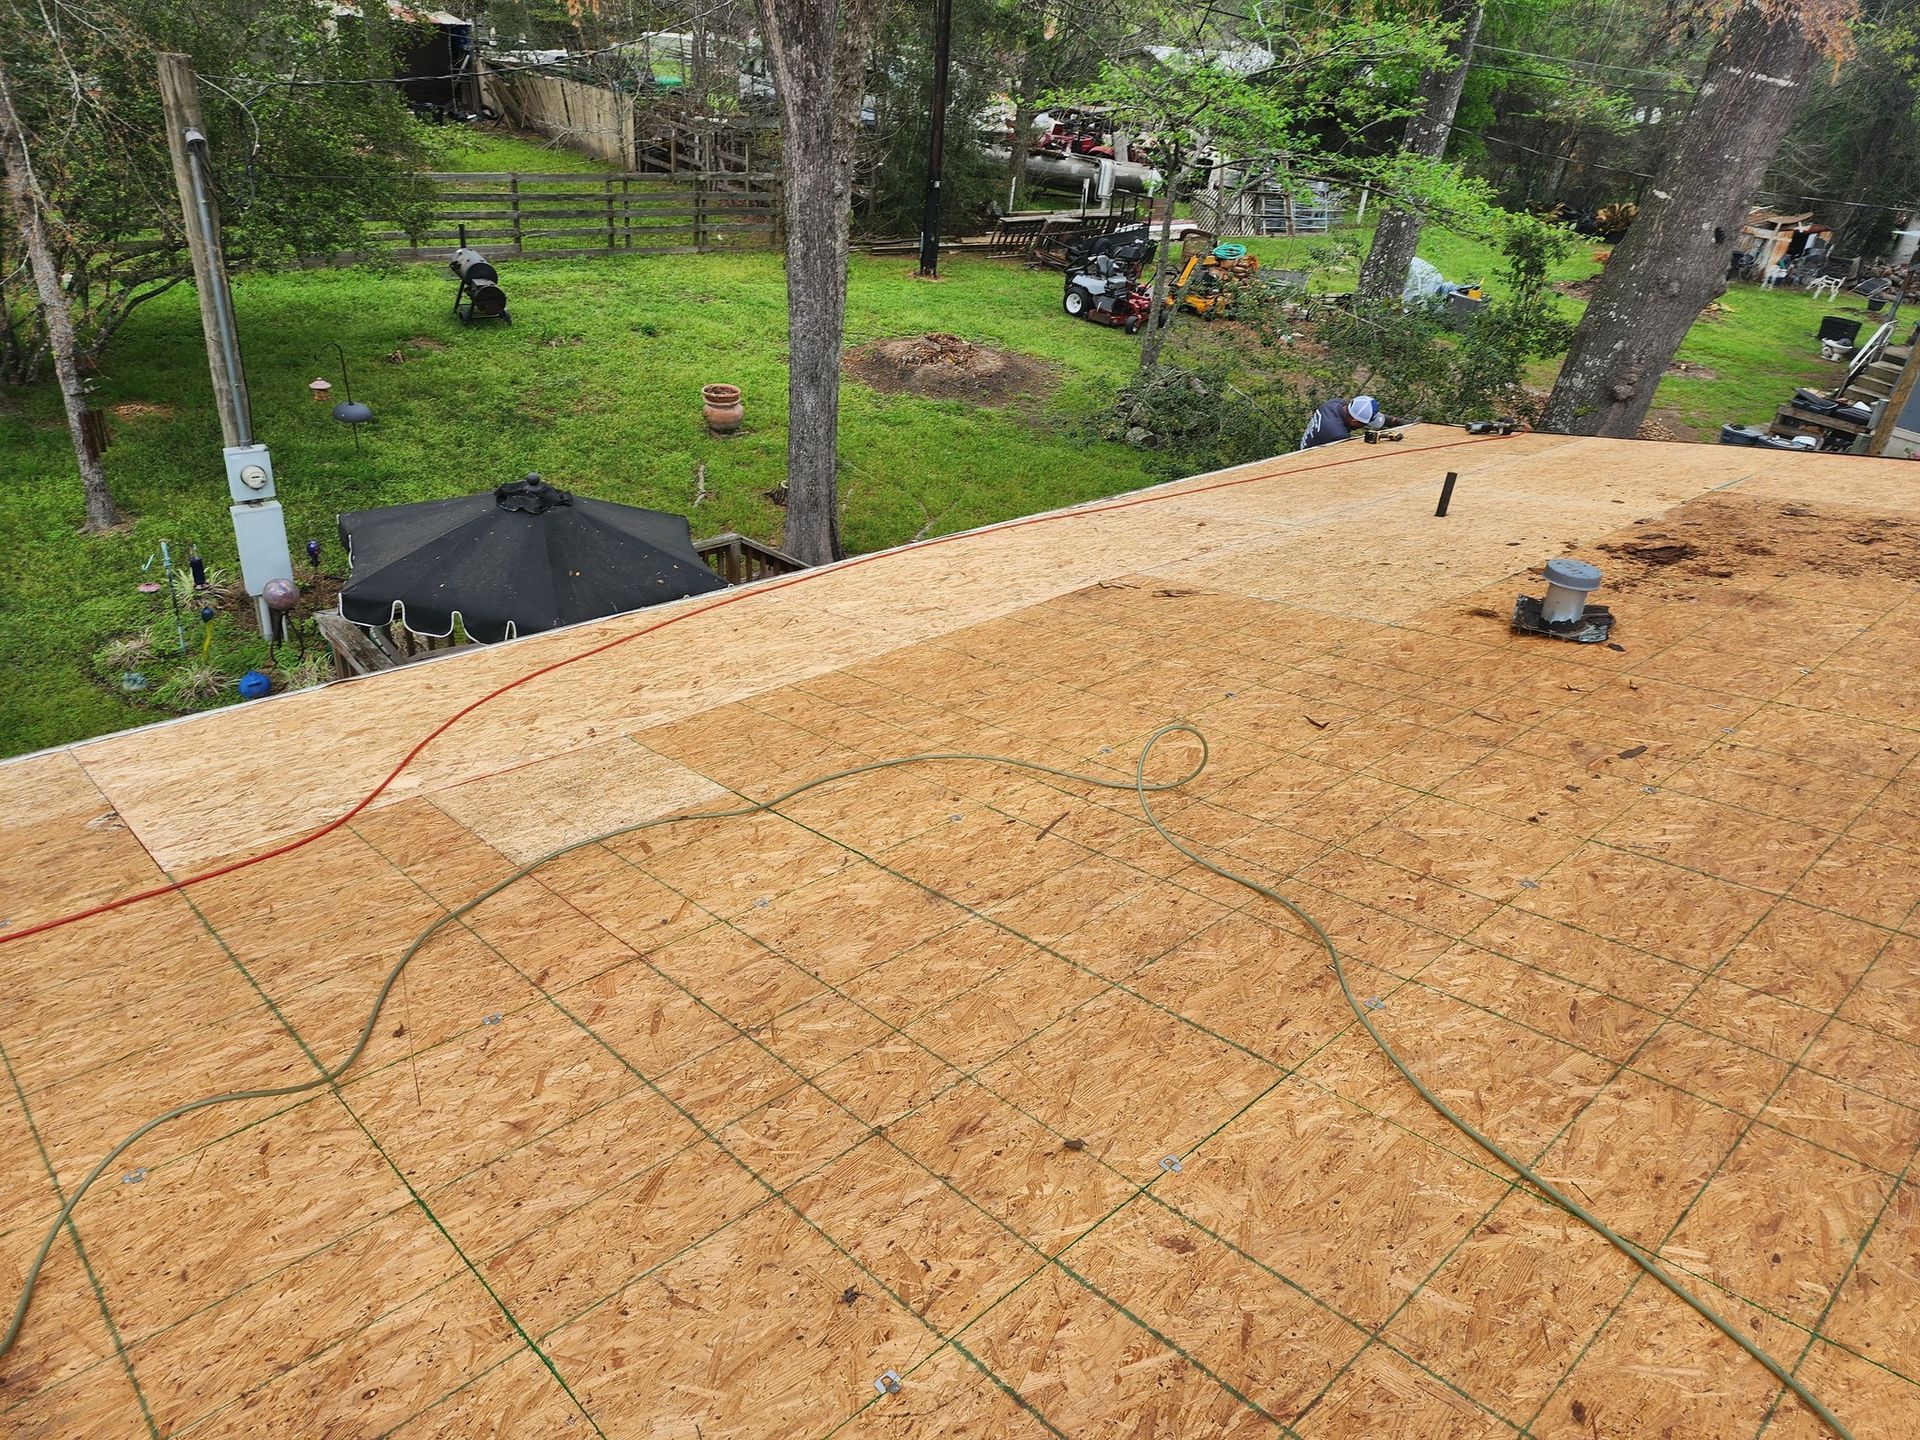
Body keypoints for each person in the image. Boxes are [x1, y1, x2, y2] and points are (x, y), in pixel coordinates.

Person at [1299, 394, 1388, 450]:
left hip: (1307, 442)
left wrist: (1397, 421)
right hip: (1309, 456)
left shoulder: (1335, 403)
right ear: (1354, 421)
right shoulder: (1339, 435)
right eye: (1364, 424)